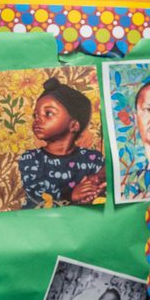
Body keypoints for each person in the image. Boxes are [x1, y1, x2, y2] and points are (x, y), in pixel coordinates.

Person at [19, 77, 106, 208]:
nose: (38, 119)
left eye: (48, 113)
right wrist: (72, 195)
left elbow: (103, 179)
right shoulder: (30, 158)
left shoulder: (92, 158)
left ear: (74, 126)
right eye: (36, 115)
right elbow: (37, 194)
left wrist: (93, 189)